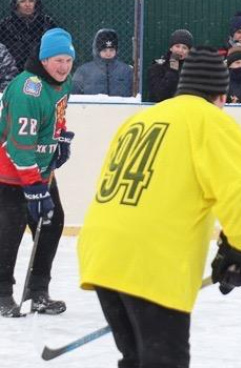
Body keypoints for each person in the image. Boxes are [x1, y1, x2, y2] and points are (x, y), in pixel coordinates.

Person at [78, 47, 241, 368]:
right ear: (221, 95)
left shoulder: (142, 118)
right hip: (151, 260)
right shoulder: (209, 121)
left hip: (102, 252)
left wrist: (228, 248)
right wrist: (239, 248)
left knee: (137, 364)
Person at [0, 28, 74, 318]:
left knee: (52, 222)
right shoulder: (26, 89)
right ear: (44, 60)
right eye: (57, 60)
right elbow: (19, 145)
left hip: (40, 171)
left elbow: (56, 114)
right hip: (10, 174)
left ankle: (38, 292)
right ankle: (2, 293)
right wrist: (34, 187)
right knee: (10, 230)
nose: (63, 66)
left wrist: (61, 137)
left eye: (67, 60)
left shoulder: (62, 82)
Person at [71, 29, 133, 97]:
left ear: (116, 50)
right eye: (104, 50)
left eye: (111, 50)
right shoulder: (84, 71)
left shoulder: (126, 71)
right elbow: (73, 95)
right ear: (97, 50)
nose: (108, 53)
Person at [0, 0, 58, 72]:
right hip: (13, 69)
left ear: (36, 3)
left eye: (31, 1)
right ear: (16, 4)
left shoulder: (47, 23)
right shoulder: (5, 25)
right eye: (22, 1)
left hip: (41, 68)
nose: (27, 5)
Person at [146, 29, 192, 103]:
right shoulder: (158, 66)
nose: (180, 50)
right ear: (171, 48)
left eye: (184, 48)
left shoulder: (191, 69)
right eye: (177, 46)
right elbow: (159, 95)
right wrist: (173, 70)